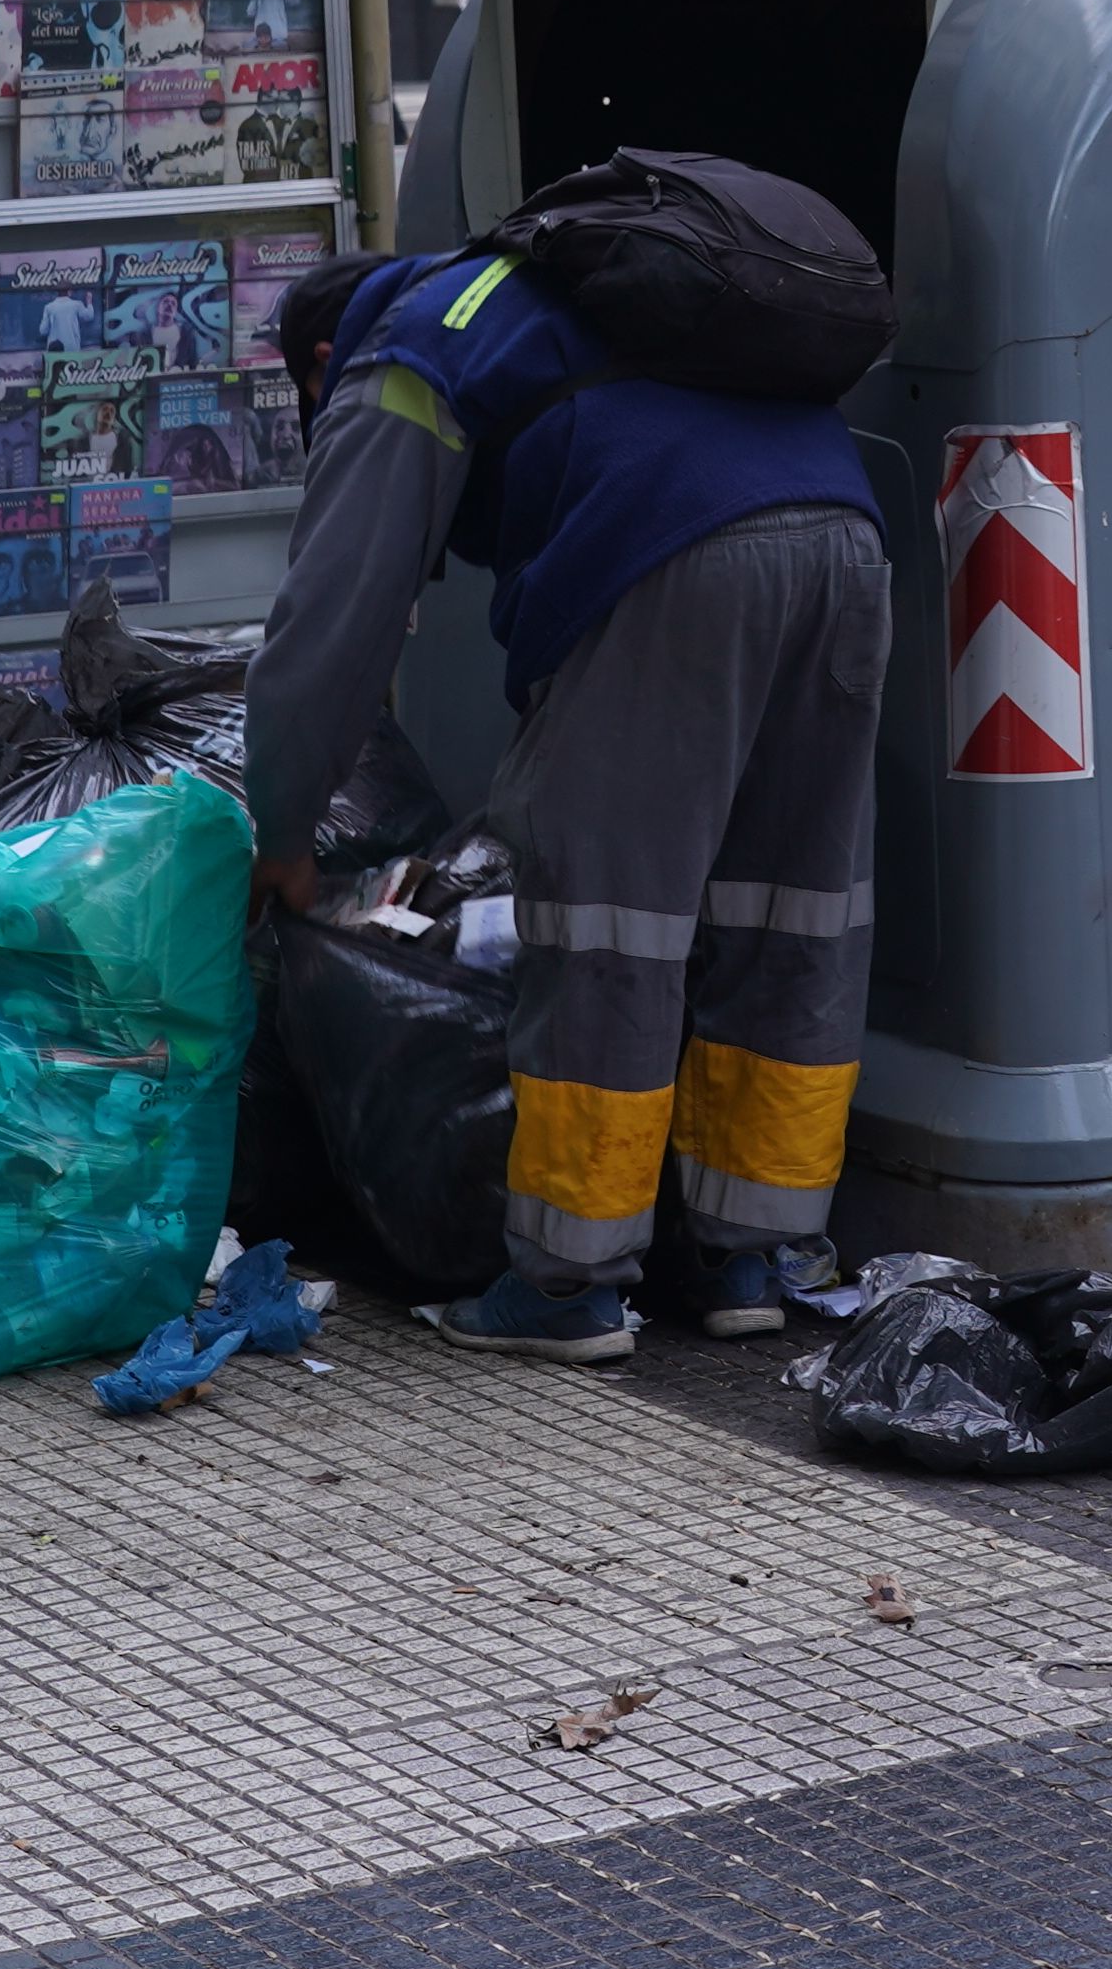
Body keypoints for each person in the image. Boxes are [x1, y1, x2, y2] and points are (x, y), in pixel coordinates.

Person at [230, 236, 889, 1360]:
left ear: (325, 354)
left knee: (602, 924)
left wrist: (284, 826)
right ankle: (753, 1254)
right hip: (843, 539)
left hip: (670, 557)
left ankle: (569, 1279)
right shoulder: (564, 291)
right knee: (789, 910)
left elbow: (333, 617)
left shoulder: (401, 355)